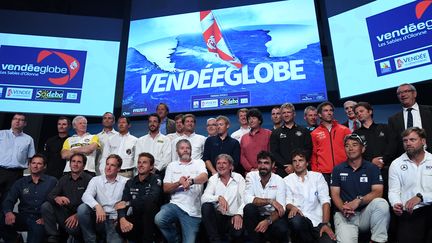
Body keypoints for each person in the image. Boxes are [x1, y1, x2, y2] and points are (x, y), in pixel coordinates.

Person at [330, 134, 390, 243]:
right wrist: (343, 208)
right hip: (345, 215)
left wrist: (358, 201)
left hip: (365, 214)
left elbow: (378, 192)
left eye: (354, 145)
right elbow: (335, 194)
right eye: (347, 146)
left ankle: (378, 240)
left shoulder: (372, 168)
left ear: (362, 149)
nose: (350, 148)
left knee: (381, 203)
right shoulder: (337, 169)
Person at [154, 139, 208, 243]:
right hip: (175, 205)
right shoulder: (172, 165)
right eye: (182, 148)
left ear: (191, 150)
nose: (185, 150)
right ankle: (175, 240)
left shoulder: (199, 163)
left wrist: (191, 181)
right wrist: (179, 183)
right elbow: (165, 188)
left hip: (193, 211)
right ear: (177, 151)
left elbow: (204, 177)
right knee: (159, 219)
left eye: (188, 148)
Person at [0, 154, 57, 243]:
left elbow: (56, 202)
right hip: (23, 217)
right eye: (33, 163)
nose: (35, 165)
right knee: (1, 217)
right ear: (29, 165)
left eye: (39, 163)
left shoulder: (52, 181)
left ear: (44, 166)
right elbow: (9, 200)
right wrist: (8, 212)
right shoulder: (20, 182)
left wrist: (47, 218)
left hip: (40, 219)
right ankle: (16, 239)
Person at [388, 127, 432, 242]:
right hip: (409, 213)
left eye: (412, 140)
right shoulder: (396, 164)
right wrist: (395, 204)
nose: (408, 143)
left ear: (423, 141)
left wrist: (421, 198)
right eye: (405, 140)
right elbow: (393, 191)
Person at [284, 149, 336, 243]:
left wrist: (325, 224)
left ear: (307, 163)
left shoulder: (317, 177)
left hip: (318, 222)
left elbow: (325, 201)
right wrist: (292, 207)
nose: (297, 164)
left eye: (301, 160)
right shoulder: (287, 180)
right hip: (300, 222)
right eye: (294, 161)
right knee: (297, 221)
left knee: (329, 241)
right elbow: (287, 202)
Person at [41, 153, 92, 243]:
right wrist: (57, 198)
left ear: (84, 166)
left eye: (79, 162)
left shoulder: (90, 180)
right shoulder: (64, 179)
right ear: (70, 164)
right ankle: (53, 236)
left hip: (81, 217)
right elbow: (50, 196)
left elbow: (93, 202)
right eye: (73, 161)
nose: (75, 164)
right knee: (46, 206)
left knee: (72, 229)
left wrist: (77, 215)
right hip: (65, 214)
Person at [77, 154, 128, 243]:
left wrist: (121, 217)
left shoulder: (125, 182)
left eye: (112, 165)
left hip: (114, 220)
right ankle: (91, 240)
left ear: (118, 169)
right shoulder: (96, 180)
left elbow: (129, 202)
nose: (108, 167)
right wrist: (97, 206)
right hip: (98, 218)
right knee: (82, 208)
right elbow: (86, 195)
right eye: (107, 164)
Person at [115, 152, 162, 243]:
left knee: (149, 205)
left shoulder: (156, 179)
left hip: (152, 219)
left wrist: (129, 203)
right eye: (139, 162)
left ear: (151, 167)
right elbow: (122, 203)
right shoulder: (130, 182)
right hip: (137, 217)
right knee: (119, 227)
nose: (140, 165)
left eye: (144, 162)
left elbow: (152, 198)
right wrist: (122, 218)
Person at [243, 151, 289, 243]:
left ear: (273, 165)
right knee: (249, 208)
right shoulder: (250, 176)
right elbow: (248, 199)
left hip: (272, 217)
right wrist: (270, 201)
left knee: (282, 228)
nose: (262, 166)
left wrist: (268, 221)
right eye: (260, 163)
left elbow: (281, 208)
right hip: (256, 216)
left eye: (266, 163)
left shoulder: (279, 180)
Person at [201, 154, 245, 243]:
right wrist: (218, 197)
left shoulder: (239, 178)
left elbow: (245, 199)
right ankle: (215, 240)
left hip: (233, 216)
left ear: (231, 166)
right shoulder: (213, 179)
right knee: (206, 206)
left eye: (224, 163)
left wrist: (239, 214)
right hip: (218, 218)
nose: (221, 166)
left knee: (237, 233)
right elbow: (204, 198)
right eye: (218, 163)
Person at [354, 102, 394, 198]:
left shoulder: (385, 128)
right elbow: (357, 153)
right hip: (368, 171)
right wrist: (371, 161)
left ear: (370, 112)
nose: (359, 114)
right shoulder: (356, 134)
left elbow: (393, 145)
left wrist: (383, 160)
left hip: (388, 170)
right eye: (356, 113)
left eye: (361, 111)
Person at [311, 101, 351, 184]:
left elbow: (351, 150)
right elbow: (314, 155)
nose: (329, 113)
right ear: (319, 115)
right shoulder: (314, 133)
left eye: (331, 110)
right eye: (326, 111)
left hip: (343, 170)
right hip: (324, 173)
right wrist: (316, 172)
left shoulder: (345, 130)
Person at [0, 113, 36, 204]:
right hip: (0, 170)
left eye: (21, 120)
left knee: (8, 201)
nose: (17, 121)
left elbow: (31, 158)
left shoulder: (29, 139)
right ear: (12, 121)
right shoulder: (1, 134)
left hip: (16, 174)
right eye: (15, 119)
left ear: (25, 124)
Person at [388, 83, 432, 157]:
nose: (402, 95)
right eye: (399, 93)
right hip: (406, 159)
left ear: (414, 94)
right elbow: (393, 144)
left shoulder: (430, 111)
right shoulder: (393, 119)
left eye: (406, 91)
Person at [270, 103, 312, 177]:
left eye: (288, 112)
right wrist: (286, 165)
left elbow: (308, 149)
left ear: (294, 114)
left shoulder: (304, 131)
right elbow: (274, 152)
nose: (286, 115)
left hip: (302, 170)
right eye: (284, 113)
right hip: (283, 171)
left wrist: (297, 163)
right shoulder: (275, 133)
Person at [240, 108, 272, 173]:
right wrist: (251, 169)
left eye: (254, 118)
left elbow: (272, 153)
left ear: (259, 120)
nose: (251, 121)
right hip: (250, 173)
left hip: (267, 171)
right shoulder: (244, 138)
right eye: (249, 119)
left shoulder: (268, 134)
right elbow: (242, 156)